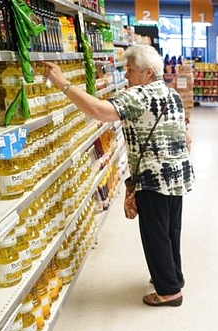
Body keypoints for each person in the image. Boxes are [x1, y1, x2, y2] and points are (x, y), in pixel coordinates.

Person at [44, 45, 194, 307]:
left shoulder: (137, 95)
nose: (126, 75)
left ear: (148, 73)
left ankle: (169, 292)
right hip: (178, 174)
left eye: (130, 70)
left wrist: (62, 83)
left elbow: (99, 111)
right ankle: (174, 277)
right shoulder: (173, 96)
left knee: (154, 234)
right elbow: (186, 137)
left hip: (153, 177)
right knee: (171, 230)